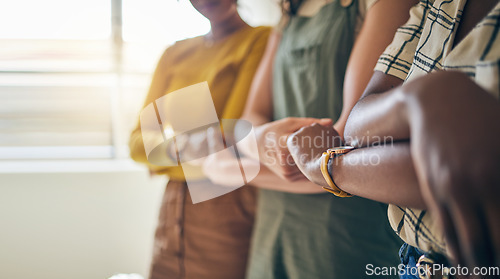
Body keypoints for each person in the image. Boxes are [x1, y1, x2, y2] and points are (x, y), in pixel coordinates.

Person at [204, 0, 418, 278]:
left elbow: (344, 149)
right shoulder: (287, 16)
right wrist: (259, 138)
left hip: (344, 237)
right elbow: (250, 119)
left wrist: (231, 168)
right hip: (273, 230)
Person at [287, 0, 500, 277]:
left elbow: (471, 166)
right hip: (413, 265)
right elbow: (356, 130)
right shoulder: (436, 4)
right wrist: (418, 100)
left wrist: (324, 166)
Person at [128, 0, 270, 278]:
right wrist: (187, 147)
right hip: (172, 208)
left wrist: (161, 158)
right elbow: (135, 144)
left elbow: (230, 144)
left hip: (227, 206)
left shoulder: (259, 40)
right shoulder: (174, 53)